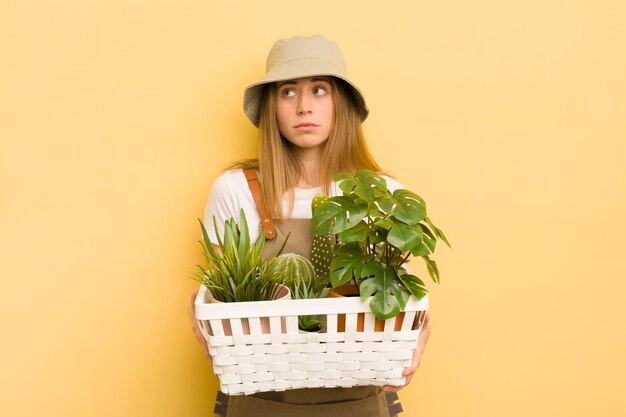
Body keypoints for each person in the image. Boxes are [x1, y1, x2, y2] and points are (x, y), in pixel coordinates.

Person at [189, 34, 431, 417]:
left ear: (342, 104)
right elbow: (215, 296)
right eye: (288, 92)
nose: (304, 107)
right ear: (272, 107)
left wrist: (419, 334)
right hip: (258, 402)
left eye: (319, 90)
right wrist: (201, 319)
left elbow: (399, 298)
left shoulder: (382, 194)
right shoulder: (235, 189)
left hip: (360, 401)